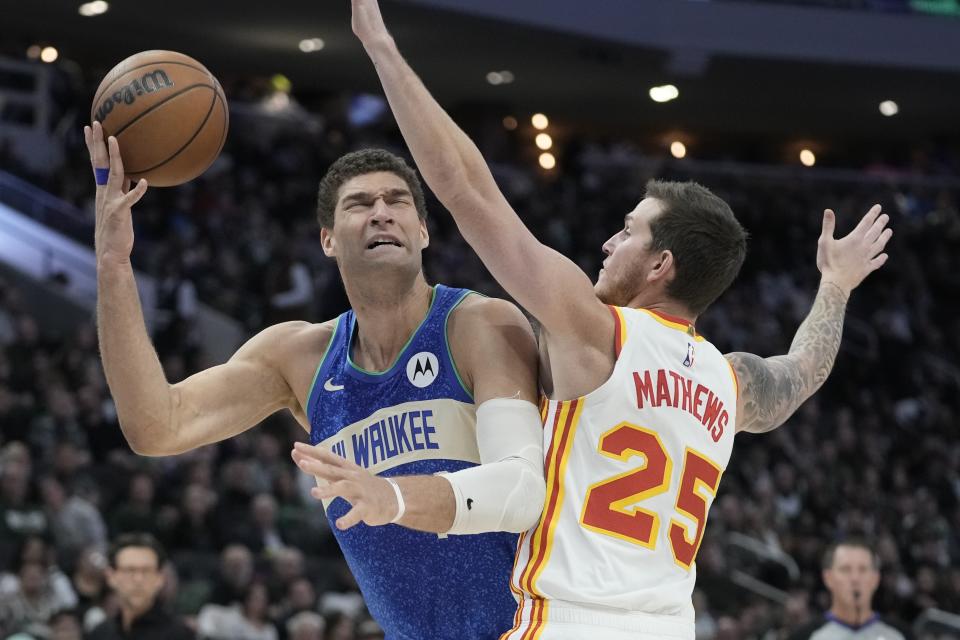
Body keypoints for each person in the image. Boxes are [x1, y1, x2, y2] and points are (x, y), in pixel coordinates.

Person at [346, 1, 893, 638]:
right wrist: (835, 287)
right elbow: (802, 372)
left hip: (568, 622)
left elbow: (467, 189)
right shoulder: (729, 381)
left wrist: (382, 49)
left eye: (627, 232)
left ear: (660, 264)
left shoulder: (596, 333)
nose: (608, 243)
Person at [84, 122, 546, 639]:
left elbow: (524, 486)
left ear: (422, 231)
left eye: (396, 201)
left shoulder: (478, 325)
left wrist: (391, 495)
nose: (380, 212)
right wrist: (114, 265)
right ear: (327, 240)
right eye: (359, 204)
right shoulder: (299, 356)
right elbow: (156, 427)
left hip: (532, 628)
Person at [789, 540, 910, 640]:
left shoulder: (901, 635)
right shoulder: (804, 636)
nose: (855, 579)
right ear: (828, 578)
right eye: (845, 569)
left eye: (863, 569)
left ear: (875, 579)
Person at [86, 533, 193, 640]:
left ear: (160, 578)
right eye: (129, 570)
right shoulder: (99, 634)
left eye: (147, 571)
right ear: (111, 576)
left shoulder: (179, 634)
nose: (138, 580)